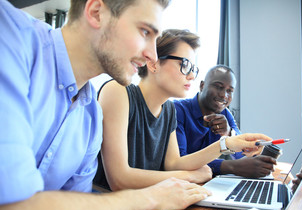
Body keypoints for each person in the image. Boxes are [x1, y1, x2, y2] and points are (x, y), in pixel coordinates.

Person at [0, 1, 212, 210]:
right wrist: (150, 197)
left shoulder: (90, 117)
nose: (152, 54)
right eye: (145, 32)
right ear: (96, 12)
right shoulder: (9, 33)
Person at [95, 29, 272, 191]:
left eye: (193, 69)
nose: (192, 76)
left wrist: (227, 144)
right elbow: (119, 180)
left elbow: (174, 164)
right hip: (109, 208)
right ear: (154, 63)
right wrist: (189, 176)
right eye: (185, 65)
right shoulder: (118, 92)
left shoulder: (168, 110)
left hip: (146, 205)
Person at [174, 65, 277, 178]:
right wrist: (232, 167)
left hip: (205, 181)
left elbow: (242, 154)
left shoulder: (225, 113)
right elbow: (180, 162)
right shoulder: (177, 110)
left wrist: (228, 133)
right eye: (218, 87)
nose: (224, 95)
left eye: (229, 91)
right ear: (202, 86)